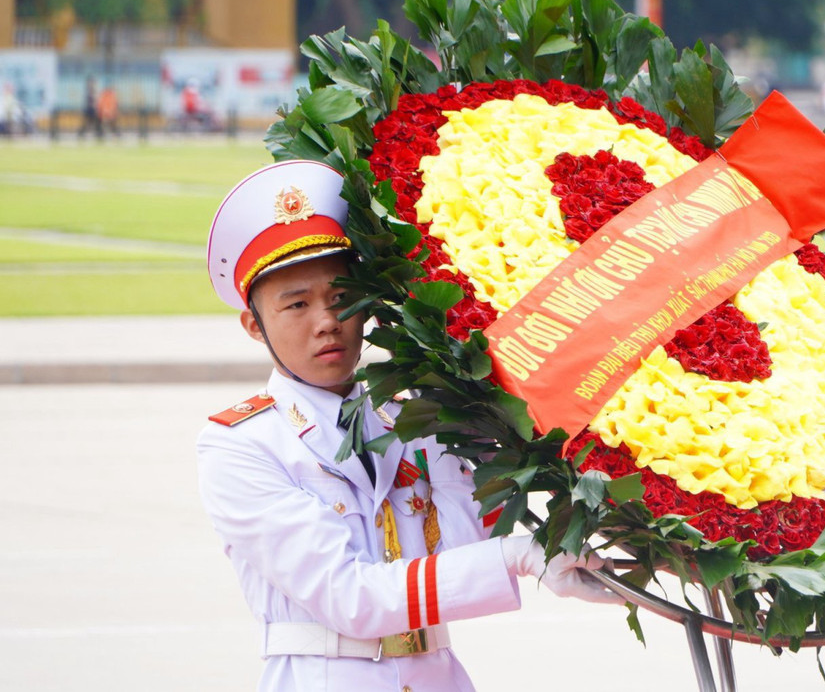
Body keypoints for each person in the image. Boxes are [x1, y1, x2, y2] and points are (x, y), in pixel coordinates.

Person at [199, 159, 619, 691]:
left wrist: (494, 429)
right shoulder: (242, 445)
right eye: (297, 304)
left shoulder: (410, 414)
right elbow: (350, 599)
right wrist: (519, 556)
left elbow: (463, 549)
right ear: (253, 325)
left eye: (341, 298)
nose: (326, 320)